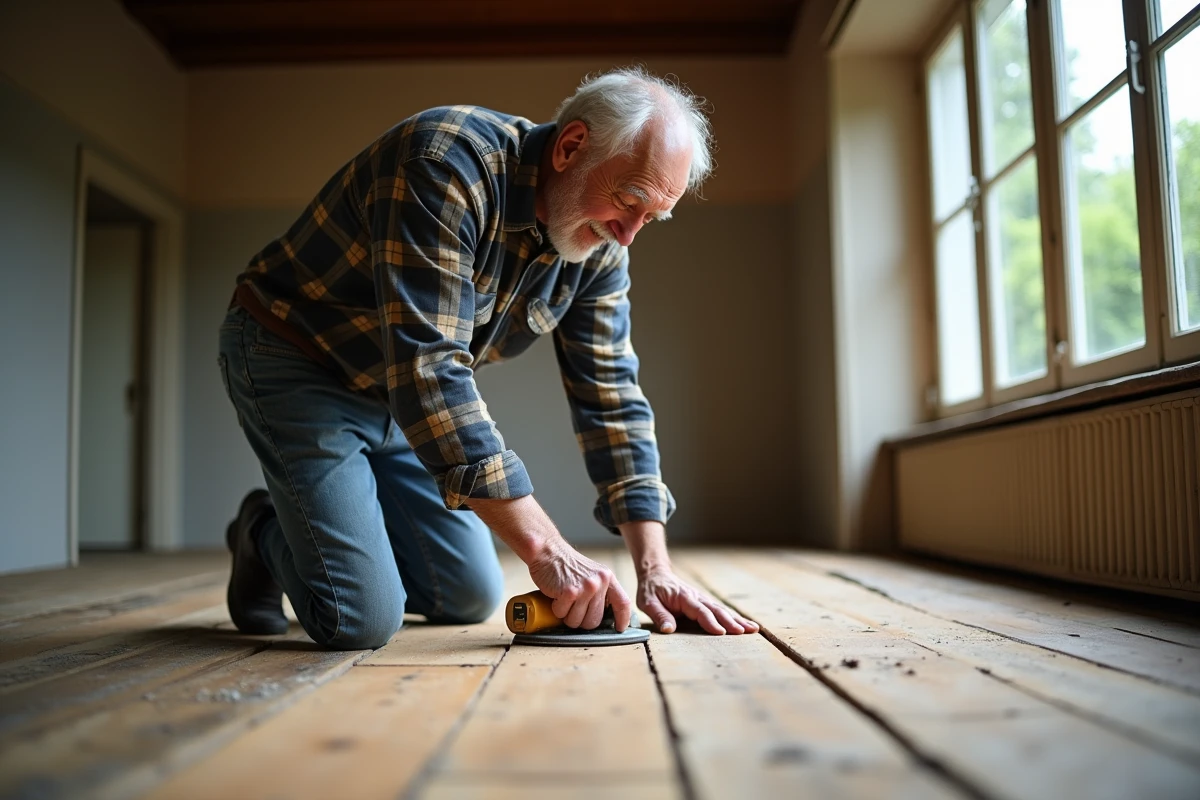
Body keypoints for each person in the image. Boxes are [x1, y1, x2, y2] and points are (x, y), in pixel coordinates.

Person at [217, 66, 759, 650]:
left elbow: (612, 395)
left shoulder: (601, 247)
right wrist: (549, 549)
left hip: (391, 392)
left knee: (467, 596)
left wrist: (655, 567)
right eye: (629, 200)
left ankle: (330, 528)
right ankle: (261, 529)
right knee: (359, 620)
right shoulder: (444, 164)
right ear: (572, 146)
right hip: (294, 355)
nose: (629, 235)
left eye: (651, 217)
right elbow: (429, 372)